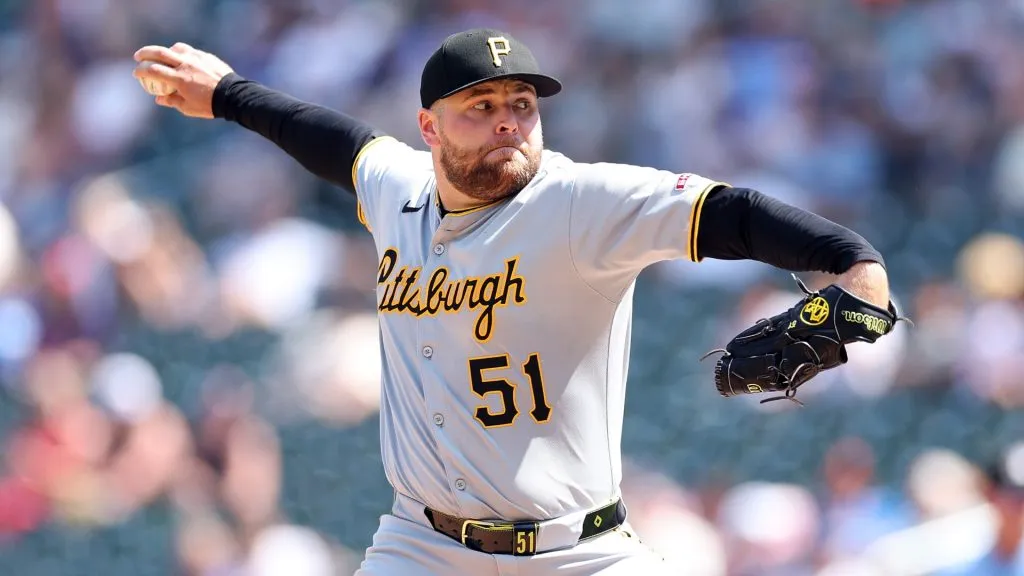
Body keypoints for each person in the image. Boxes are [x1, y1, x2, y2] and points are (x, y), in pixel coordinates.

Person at [132, 28, 900, 575]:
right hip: (421, 547)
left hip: (581, 552)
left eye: (523, 102)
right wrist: (229, 95)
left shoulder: (582, 201)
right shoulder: (399, 188)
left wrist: (853, 263)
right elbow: (336, 142)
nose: (508, 118)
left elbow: (732, 212)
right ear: (429, 128)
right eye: (481, 103)